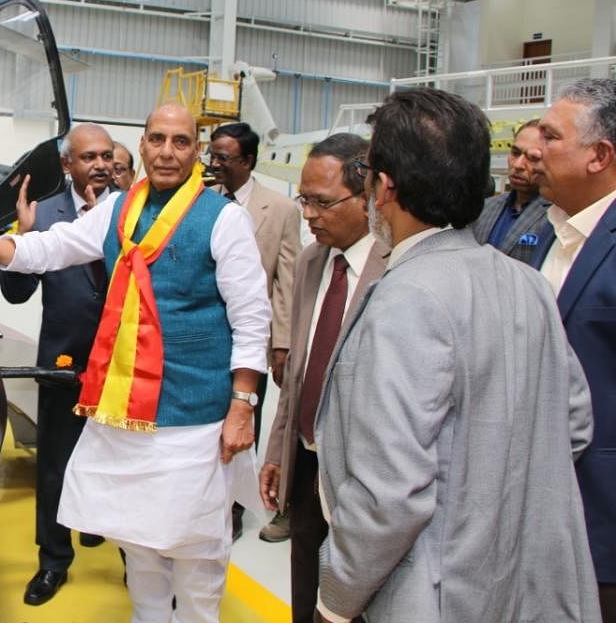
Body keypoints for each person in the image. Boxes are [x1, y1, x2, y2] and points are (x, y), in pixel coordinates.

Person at [0, 103, 269, 622]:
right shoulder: (119, 208)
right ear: (143, 145)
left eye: (180, 142)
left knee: (195, 546)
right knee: (139, 537)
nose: (167, 152)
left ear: (196, 151)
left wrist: (242, 404)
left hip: (193, 414)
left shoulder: (225, 220)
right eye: (157, 140)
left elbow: (252, 318)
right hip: (125, 410)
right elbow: (55, 246)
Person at [314, 88, 598, 623]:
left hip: (435, 592)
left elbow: (389, 494)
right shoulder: (526, 283)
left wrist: (335, 599)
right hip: (527, 587)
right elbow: (575, 426)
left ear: (385, 188)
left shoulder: (405, 297)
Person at [258, 133, 388, 622]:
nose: (308, 215)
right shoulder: (313, 262)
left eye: (322, 202)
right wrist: (279, 454)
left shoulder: (394, 270)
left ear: (368, 195)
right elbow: (296, 375)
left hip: (360, 477)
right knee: (305, 590)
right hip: (309, 464)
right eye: (303, 200)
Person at [0, 123, 115, 606]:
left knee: (125, 463)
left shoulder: (134, 209)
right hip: (63, 360)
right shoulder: (44, 213)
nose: (101, 164)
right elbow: (15, 292)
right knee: (55, 465)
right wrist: (23, 236)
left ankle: (133, 558)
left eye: (107, 155)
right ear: (67, 165)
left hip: (123, 363)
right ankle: (52, 562)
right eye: (89, 156)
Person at [528, 78, 616, 622]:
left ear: (599, 155)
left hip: (604, 517)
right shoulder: (550, 232)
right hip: (546, 508)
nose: (534, 151)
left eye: (552, 138)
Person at [207, 121, 299, 541]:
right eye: (212, 155)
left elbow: (286, 281)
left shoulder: (278, 209)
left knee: (246, 417)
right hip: (208, 334)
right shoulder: (204, 201)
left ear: (247, 161)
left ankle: (238, 504)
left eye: (223, 157)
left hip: (251, 337)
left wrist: (280, 343)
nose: (214, 164)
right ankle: (209, 493)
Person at [470, 118, 551, 265]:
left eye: (533, 158)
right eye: (515, 153)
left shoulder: (555, 216)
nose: (518, 165)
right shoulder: (484, 208)